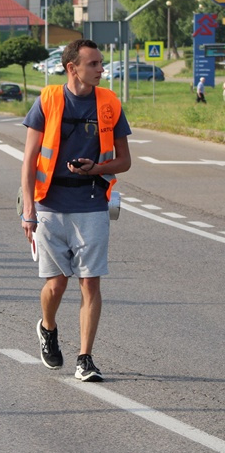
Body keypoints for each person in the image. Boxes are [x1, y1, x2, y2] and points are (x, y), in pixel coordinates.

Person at [20, 39, 132, 383]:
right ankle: (47, 326)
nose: (101, 69)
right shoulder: (48, 99)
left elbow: (124, 161)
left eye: (100, 63)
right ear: (73, 68)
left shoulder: (110, 103)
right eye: (94, 64)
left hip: (91, 203)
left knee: (90, 282)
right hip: (49, 205)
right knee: (56, 284)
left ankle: (85, 358)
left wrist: (96, 168)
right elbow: (29, 160)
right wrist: (28, 210)